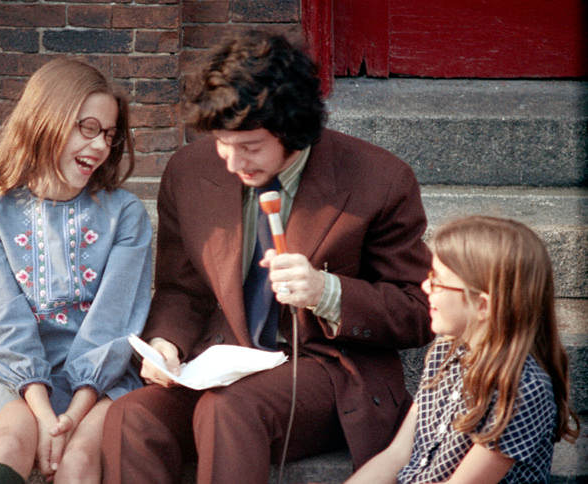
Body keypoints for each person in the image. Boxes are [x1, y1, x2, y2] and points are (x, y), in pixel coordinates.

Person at [101, 31, 433, 483]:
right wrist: (166, 343)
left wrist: (328, 292)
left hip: (326, 368)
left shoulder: (380, 180)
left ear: (292, 127)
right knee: (131, 417)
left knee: (227, 410)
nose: (234, 162)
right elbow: (182, 288)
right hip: (218, 362)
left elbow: (419, 310)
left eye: (251, 147)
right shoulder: (190, 171)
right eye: (222, 142)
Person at [0, 58, 152, 484]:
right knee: (10, 442)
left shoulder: (126, 216)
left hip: (105, 383)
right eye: (87, 128)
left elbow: (113, 324)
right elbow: (2, 322)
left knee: (80, 459)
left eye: (108, 133)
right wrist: (46, 416)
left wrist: (71, 418)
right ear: (47, 120)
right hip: (25, 381)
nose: (101, 145)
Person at [345, 215, 580, 484]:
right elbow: (397, 454)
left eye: (438, 282)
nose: (425, 287)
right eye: (429, 276)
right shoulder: (445, 352)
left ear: (482, 305)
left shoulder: (520, 390)